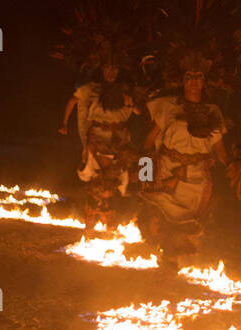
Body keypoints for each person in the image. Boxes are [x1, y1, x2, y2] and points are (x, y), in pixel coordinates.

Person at [138, 53, 229, 262]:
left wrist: (237, 168)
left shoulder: (213, 111)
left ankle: (179, 257)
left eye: (198, 76)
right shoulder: (169, 106)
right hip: (167, 172)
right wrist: (145, 177)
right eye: (189, 75)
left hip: (196, 180)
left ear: (204, 81)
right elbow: (147, 144)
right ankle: (169, 256)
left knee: (187, 223)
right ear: (182, 79)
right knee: (162, 217)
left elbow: (220, 149)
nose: (194, 81)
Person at [59, 61, 136, 235]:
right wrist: (64, 123)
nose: (111, 71)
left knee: (101, 188)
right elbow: (74, 100)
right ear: (103, 69)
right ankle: (92, 227)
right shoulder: (91, 89)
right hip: (100, 134)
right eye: (108, 67)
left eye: (114, 67)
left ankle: (99, 226)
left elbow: (137, 110)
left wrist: (131, 102)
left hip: (117, 136)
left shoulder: (89, 171)